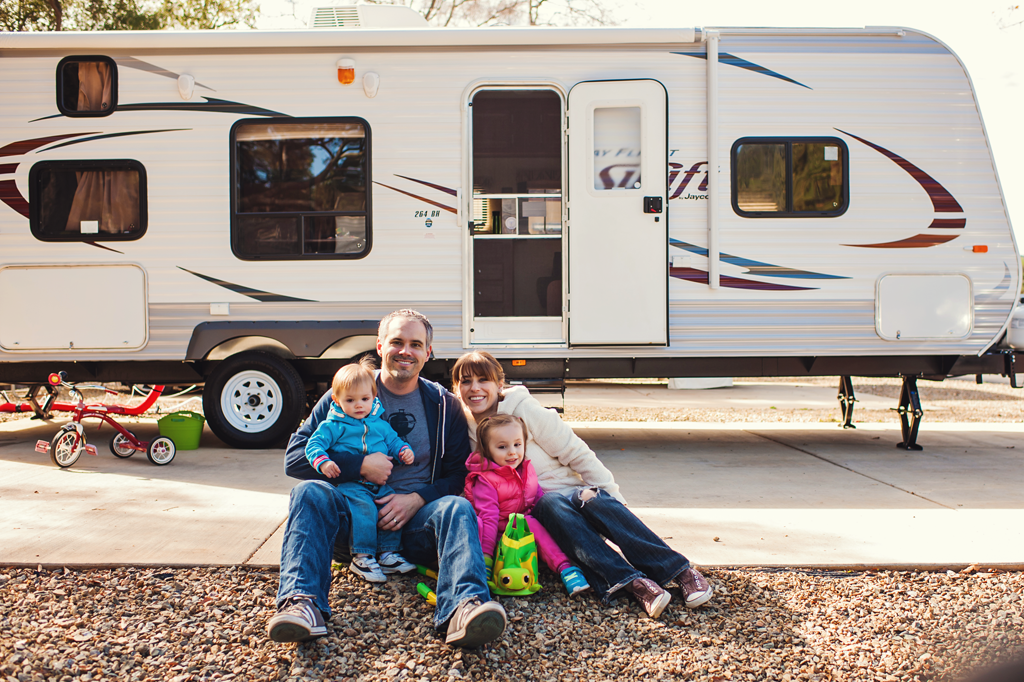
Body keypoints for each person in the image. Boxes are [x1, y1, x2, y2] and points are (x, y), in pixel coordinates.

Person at [268, 311, 506, 648]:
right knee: (308, 491)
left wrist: (417, 500)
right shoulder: (345, 391)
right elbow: (295, 458)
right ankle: (302, 604)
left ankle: (464, 607)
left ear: (428, 352)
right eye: (396, 342)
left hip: (415, 529)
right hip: (353, 525)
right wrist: (360, 465)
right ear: (380, 346)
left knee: (455, 507)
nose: (405, 351)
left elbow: (457, 475)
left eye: (415, 344)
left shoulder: (443, 404)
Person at [452, 350, 714, 620]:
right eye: (466, 381)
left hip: (575, 499)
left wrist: (614, 502)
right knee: (551, 501)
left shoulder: (524, 410)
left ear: (498, 384)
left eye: (483, 380)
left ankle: (680, 571)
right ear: (457, 388)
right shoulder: (468, 429)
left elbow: (576, 452)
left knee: (592, 497)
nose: (475, 388)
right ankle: (633, 583)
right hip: (545, 516)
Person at [304, 357, 416, 583]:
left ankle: (388, 554)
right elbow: (313, 445)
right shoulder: (333, 425)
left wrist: (404, 451)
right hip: (352, 485)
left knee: (390, 508)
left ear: (373, 398)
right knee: (364, 511)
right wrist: (324, 462)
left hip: (380, 485)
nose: (358, 405)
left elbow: (393, 441)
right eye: (350, 400)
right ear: (336, 400)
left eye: (364, 399)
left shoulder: (380, 424)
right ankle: (362, 556)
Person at [463, 413, 590, 596]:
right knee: (479, 524)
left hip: (523, 532)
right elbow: (489, 518)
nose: (512, 452)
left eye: (517, 444)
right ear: (487, 450)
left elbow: (538, 500)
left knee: (533, 521)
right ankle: (484, 568)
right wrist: (487, 559)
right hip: (496, 537)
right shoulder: (485, 480)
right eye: (502, 447)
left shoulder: (526, 470)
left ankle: (568, 569)